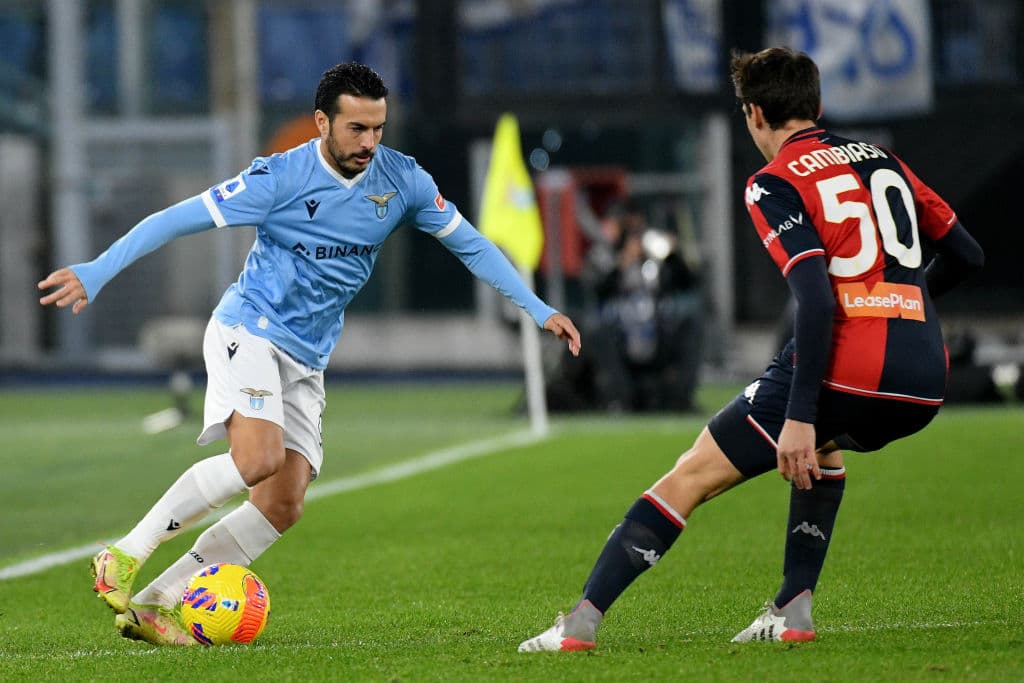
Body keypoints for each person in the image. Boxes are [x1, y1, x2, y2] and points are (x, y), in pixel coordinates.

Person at [38, 62, 581, 647]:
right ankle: (123, 554)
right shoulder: (278, 178)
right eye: (356, 129)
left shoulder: (404, 182)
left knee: (283, 501)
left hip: (307, 356)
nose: (370, 143)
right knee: (257, 461)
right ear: (322, 122)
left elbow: (471, 245)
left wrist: (537, 308)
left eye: (378, 128)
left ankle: (156, 602)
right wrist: (97, 270)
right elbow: (174, 220)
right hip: (249, 329)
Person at [518, 46, 983, 652]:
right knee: (828, 446)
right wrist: (908, 308)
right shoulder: (881, 159)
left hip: (850, 366)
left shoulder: (774, 182)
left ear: (754, 114)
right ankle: (794, 608)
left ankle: (579, 624)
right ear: (815, 105)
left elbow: (814, 301)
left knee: (691, 475)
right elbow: (969, 254)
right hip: (922, 380)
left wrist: (798, 415)